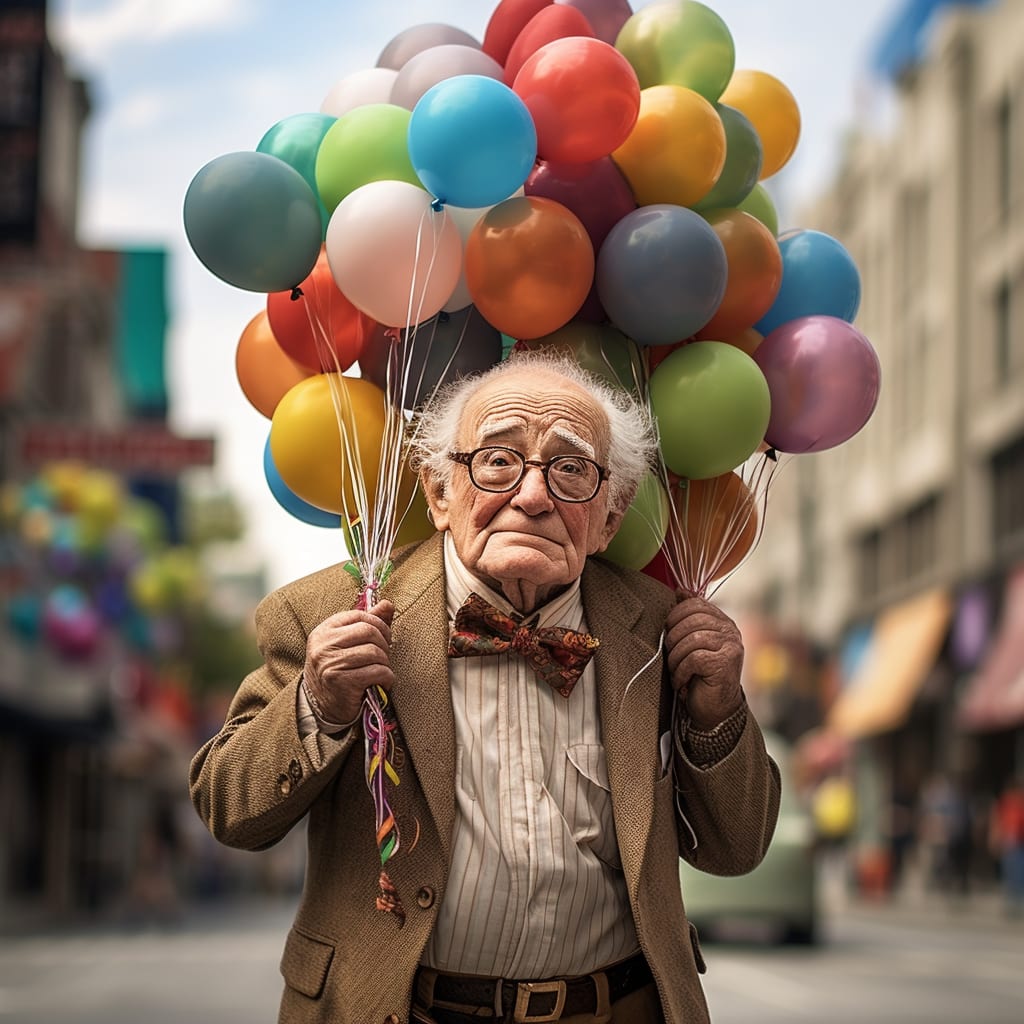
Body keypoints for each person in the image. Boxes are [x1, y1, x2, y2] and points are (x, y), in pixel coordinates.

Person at [189, 352, 781, 1024]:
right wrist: (320, 705)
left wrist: (717, 714)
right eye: (498, 461)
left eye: (570, 469)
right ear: (440, 494)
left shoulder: (659, 629)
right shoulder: (324, 613)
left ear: (609, 520)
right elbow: (229, 812)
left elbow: (737, 849)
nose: (533, 496)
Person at [989, 776, 1024, 916]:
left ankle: (1016, 903)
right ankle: (1011, 904)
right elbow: (997, 821)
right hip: (1010, 843)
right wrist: (995, 838)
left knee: (1019, 873)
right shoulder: (1005, 803)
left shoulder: (1020, 803)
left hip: (1020, 843)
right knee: (1011, 873)